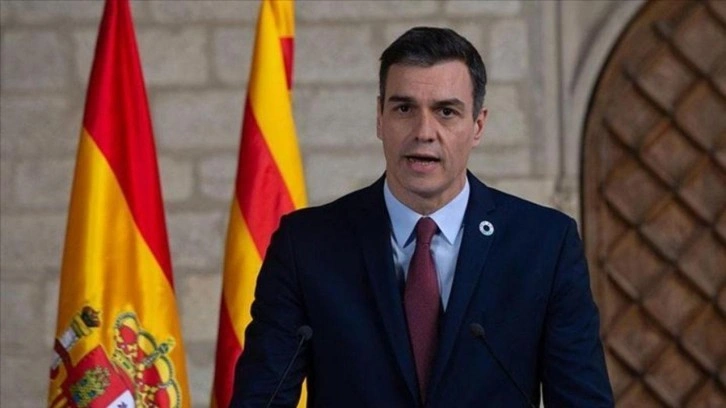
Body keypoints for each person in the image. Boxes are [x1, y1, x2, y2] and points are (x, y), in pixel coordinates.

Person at [230, 27, 613, 407]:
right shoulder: (306, 245)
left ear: (477, 125)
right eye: (404, 109)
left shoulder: (545, 244)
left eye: (446, 112)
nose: (424, 132)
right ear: (380, 118)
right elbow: (261, 398)